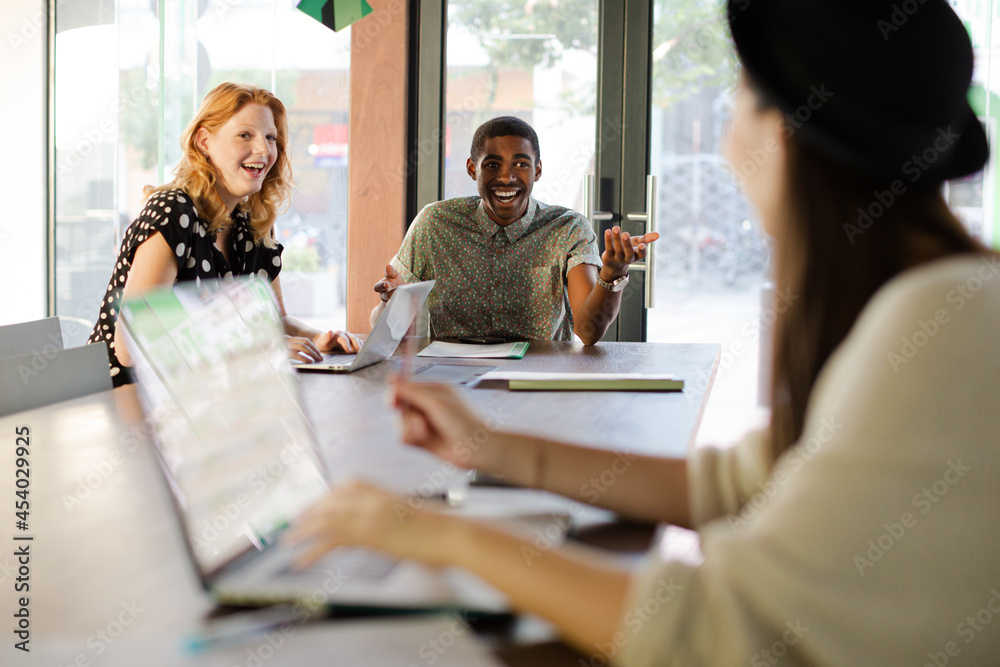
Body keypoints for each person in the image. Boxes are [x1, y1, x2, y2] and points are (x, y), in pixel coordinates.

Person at [289, 1, 1000, 664]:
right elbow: (742, 483)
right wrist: (490, 446)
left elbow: (718, 629)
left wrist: (431, 533)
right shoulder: (924, 302)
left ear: (791, 130)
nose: (726, 147)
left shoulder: (943, 330)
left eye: (739, 102)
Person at [88, 82, 360, 387]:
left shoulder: (255, 222)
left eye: (271, 138)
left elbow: (276, 322)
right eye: (245, 135)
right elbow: (132, 345)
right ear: (204, 141)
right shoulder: (173, 212)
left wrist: (318, 339)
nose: (264, 149)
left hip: (206, 398)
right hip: (126, 399)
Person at [370, 116, 659, 344]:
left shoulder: (568, 228)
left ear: (538, 170)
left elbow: (588, 332)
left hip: (539, 379)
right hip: (450, 382)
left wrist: (612, 275)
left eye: (521, 164)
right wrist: (388, 304)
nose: (506, 177)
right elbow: (384, 325)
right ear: (473, 169)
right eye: (492, 165)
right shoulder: (435, 223)